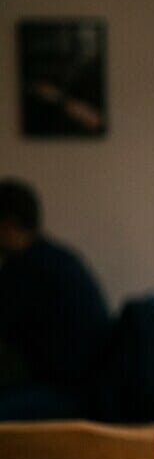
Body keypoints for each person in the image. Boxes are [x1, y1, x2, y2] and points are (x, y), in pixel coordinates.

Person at [0, 178, 111, 420]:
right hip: (91, 389)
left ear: (8, 225)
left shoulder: (24, 269)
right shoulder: (59, 257)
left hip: (71, 394)